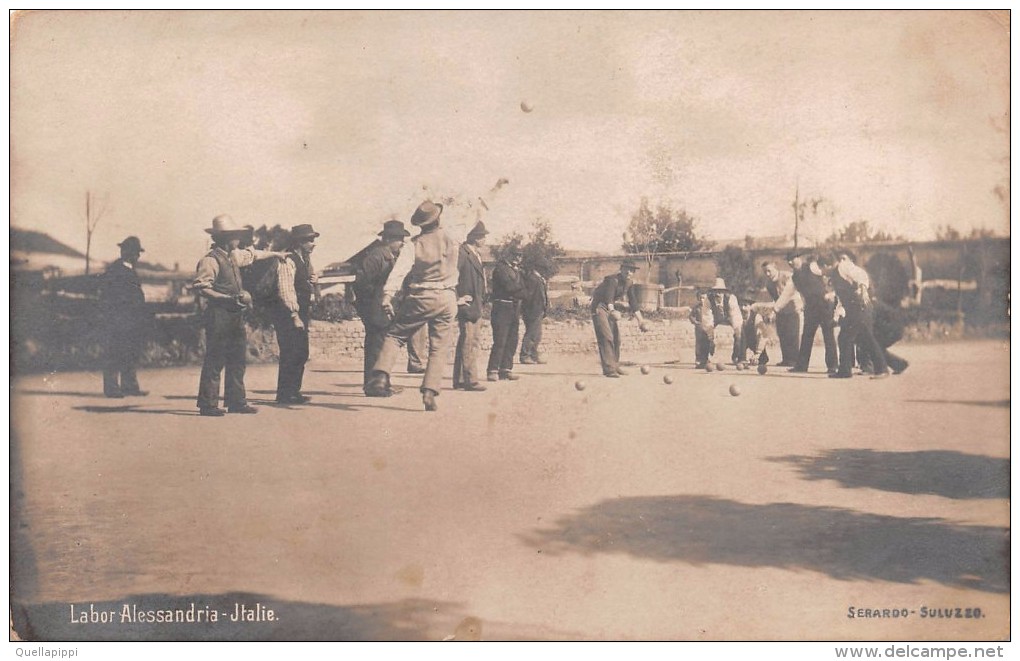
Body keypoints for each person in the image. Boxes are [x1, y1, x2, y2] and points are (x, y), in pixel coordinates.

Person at [365, 201, 468, 412]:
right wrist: (497, 188)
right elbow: (476, 212)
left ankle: (381, 375)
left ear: (420, 223)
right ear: (438, 218)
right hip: (447, 297)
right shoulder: (454, 236)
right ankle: (430, 390)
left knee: (395, 335)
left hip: (421, 296)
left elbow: (399, 272)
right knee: (439, 348)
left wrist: (387, 296)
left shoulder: (413, 244)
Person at [193, 215, 286, 416]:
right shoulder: (210, 260)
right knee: (216, 359)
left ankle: (236, 401)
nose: (238, 239)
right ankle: (208, 404)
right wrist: (226, 299)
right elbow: (202, 288)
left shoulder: (232, 256)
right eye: (235, 236)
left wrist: (276, 254)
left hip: (235, 315)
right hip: (218, 314)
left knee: (237, 358)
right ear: (225, 238)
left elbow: (253, 255)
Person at [353, 219, 411, 394]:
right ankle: (373, 386)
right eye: (398, 239)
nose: (401, 243)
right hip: (374, 309)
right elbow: (361, 283)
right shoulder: (377, 256)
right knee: (375, 347)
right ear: (387, 239)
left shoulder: (389, 257)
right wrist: (372, 304)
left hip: (381, 309)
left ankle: (382, 383)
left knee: (381, 346)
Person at [819, 250, 890, 379]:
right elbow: (841, 299)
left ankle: (880, 369)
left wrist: (862, 290)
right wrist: (836, 317)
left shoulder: (843, 266)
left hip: (860, 306)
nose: (822, 274)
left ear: (826, 265)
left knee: (859, 338)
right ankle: (846, 370)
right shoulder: (835, 275)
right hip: (852, 309)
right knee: (849, 338)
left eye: (822, 270)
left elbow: (861, 275)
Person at [272, 224, 320, 404]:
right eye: (309, 240)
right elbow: (285, 289)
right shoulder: (288, 259)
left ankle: (293, 391)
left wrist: (313, 281)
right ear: (299, 242)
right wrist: (294, 314)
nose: (313, 244)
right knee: (290, 352)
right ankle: (285, 394)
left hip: (300, 312)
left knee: (300, 352)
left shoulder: (304, 259)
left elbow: (303, 283)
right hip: (288, 313)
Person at [98, 236, 149, 398]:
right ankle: (112, 388)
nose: (138, 256)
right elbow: (110, 295)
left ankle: (130, 386)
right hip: (118, 318)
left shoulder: (129, 269)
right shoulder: (116, 270)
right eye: (135, 253)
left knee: (129, 351)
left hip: (130, 319)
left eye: (138, 253)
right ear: (126, 253)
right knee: (114, 352)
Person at [776, 252, 838, 374]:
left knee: (828, 335)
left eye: (792, 259)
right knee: (806, 337)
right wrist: (776, 309)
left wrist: (832, 294)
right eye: (788, 260)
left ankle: (833, 366)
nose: (790, 262)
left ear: (799, 258)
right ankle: (801, 366)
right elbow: (786, 294)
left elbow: (829, 275)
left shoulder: (813, 266)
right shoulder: (794, 278)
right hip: (810, 308)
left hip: (824, 306)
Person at [590, 260, 646, 377]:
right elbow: (609, 298)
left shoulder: (629, 283)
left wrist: (640, 320)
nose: (629, 272)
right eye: (627, 269)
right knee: (606, 336)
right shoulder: (612, 280)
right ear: (621, 269)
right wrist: (612, 311)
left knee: (616, 339)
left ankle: (615, 366)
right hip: (599, 307)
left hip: (610, 309)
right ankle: (609, 369)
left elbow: (633, 303)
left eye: (632, 270)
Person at [453, 221, 489, 391]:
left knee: (467, 341)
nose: (484, 240)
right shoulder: (462, 253)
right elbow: (452, 275)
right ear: (474, 238)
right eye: (482, 237)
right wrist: (457, 298)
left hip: (475, 304)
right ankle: (470, 380)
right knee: (470, 341)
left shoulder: (474, 253)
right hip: (467, 305)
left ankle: (460, 379)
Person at [486, 247, 527, 382]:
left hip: (514, 307)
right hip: (502, 307)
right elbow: (509, 287)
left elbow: (521, 291)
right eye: (515, 255)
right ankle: (492, 370)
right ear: (508, 255)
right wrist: (522, 288)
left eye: (520, 256)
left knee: (512, 339)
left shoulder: (516, 271)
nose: (518, 258)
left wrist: (520, 289)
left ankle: (506, 369)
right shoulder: (500, 269)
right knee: (500, 340)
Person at [688, 278, 744, 369]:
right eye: (715, 291)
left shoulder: (731, 298)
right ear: (712, 292)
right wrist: (711, 339)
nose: (717, 294)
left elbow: (735, 317)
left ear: (724, 292)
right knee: (702, 331)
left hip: (729, 316)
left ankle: (740, 358)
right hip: (715, 317)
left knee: (741, 331)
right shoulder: (708, 300)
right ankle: (702, 359)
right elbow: (707, 319)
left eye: (720, 291)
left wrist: (738, 332)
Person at [761, 261, 803, 367]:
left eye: (769, 271)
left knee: (792, 335)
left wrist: (799, 306)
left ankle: (794, 360)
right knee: (782, 334)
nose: (767, 274)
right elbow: (776, 299)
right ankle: (786, 359)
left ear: (776, 268)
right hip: (780, 311)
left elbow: (792, 294)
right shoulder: (769, 284)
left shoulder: (787, 276)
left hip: (793, 309)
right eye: (765, 272)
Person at [519, 258, 550, 365]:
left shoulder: (539, 278)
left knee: (537, 334)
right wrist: (529, 310)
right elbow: (529, 296)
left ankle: (533, 354)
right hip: (532, 310)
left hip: (538, 309)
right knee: (531, 333)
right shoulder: (532, 278)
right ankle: (525, 355)